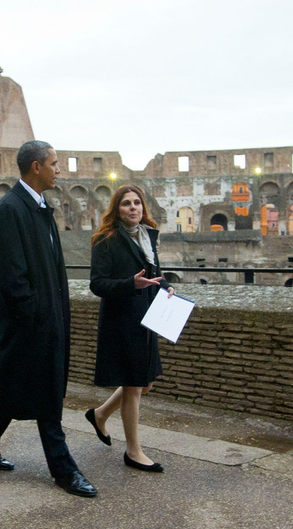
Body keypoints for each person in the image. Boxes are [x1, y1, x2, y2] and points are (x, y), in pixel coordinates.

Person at [0, 140, 97, 498]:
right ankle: (63, 470)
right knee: (46, 396)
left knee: (18, 385)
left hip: (47, 318)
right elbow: (12, 277)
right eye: (55, 164)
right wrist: (38, 318)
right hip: (31, 323)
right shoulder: (10, 209)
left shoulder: (39, 206)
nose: (60, 170)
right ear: (36, 167)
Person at [85, 186, 174, 473]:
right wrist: (129, 284)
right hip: (122, 320)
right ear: (117, 208)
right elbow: (97, 284)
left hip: (148, 318)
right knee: (135, 384)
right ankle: (133, 452)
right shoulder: (105, 239)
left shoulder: (148, 235)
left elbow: (153, 276)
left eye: (137, 203)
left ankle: (99, 415)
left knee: (144, 383)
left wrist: (167, 286)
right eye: (126, 203)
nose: (133, 207)